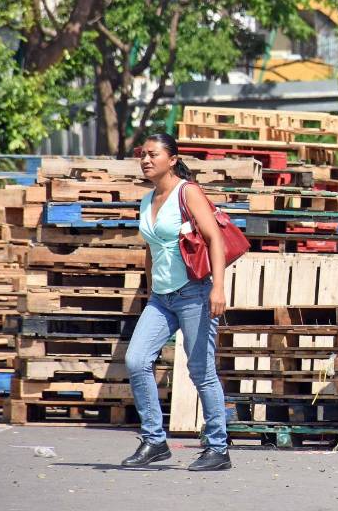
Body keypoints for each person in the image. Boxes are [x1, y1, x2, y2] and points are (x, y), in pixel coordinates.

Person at [121, 133, 231, 471]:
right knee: (136, 360)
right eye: (142, 154)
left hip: (196, 293)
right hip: (161, 298)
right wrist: (150, 286)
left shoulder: (188, 192)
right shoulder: (146, 199)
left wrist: (218, 289)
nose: (145, 160)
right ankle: (154, 441)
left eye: (153, 154)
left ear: (172, 159)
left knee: (200, 371)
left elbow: (214, 239)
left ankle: (218, 448)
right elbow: (150, 247)